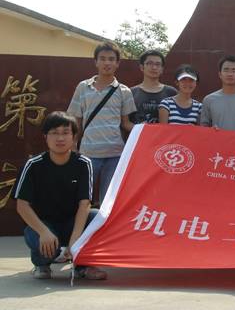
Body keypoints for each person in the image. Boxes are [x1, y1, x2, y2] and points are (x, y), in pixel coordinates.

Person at [13, 111, 107, 280]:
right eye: (54, 133)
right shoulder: (33, 165)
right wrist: (44, 232)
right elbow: (22, 205)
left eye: (65, 132)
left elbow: (84, 203)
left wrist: (76, 239)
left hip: (72, 222)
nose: (60, 138)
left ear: (74, 137)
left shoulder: (83, 163)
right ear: (45, 137)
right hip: (44, 224)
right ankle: (41, 265)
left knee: (97, 217)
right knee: (42, 239)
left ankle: (83, 265)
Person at [67, 42, 135, 205]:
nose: (107, 63)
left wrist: (148, 131)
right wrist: (73, 145)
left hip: (115, 155)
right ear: (96, 62)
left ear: (117, 63)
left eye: (111, 59)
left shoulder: (124, 91)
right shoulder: (83, 87)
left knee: (108, 203)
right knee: (82, 199)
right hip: (88, 154)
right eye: (103, 59)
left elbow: (126, 123)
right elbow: (75, 120)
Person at [200, 55, 235, 131]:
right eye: (226, 70)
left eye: (234, 71)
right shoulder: (208, 100)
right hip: (217, 139)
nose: (230, 74)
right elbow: (203, 127)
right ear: (220, 74)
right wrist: (211, 130)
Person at [130, 50, 177, 124]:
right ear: (142, 67)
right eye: (149, 63)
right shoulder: (131, 92)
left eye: (158, 64)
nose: (154, 67)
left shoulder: (171, 92)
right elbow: (126, 122)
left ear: (162, 69)